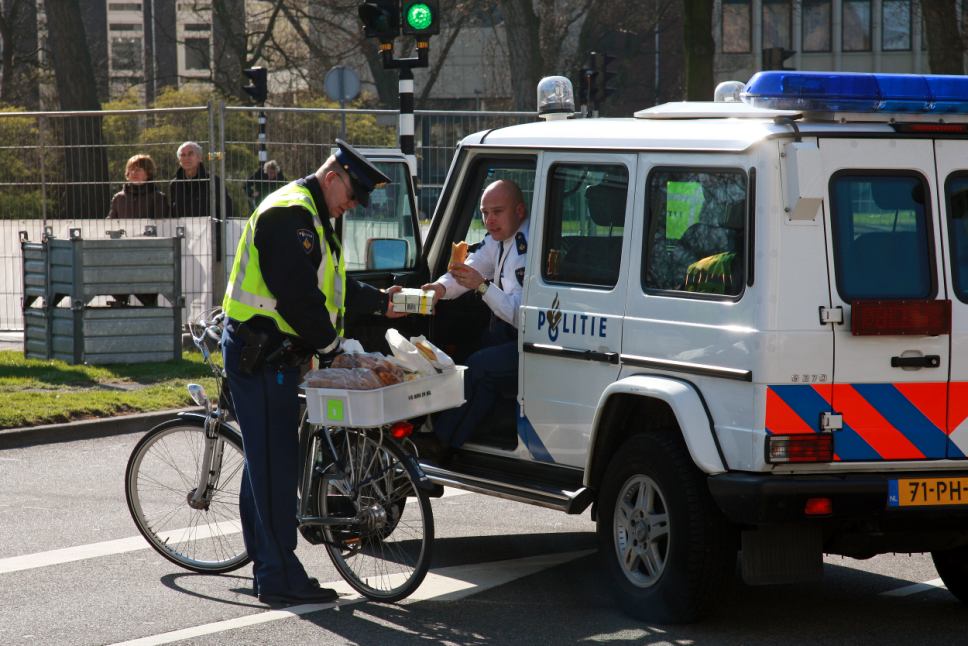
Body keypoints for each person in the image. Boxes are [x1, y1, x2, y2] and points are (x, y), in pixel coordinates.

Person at [221, 139, 403, 606]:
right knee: (276, 468)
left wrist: (384, 301)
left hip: (274, 356)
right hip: (263, 357)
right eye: (352, 195)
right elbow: (299, 297)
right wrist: (332, 348)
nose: (353, 206)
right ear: (332, 177)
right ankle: (279, 577)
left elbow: (331, 286)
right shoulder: (290, 214)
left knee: (264, 465)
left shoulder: (313, 217)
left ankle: (267, 564)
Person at [415, 179, 529, 463]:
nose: (489, 220)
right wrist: (439, 289)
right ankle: (451, 444)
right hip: (510, 336)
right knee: (479, 369)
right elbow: (470, 269)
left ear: (520, 211)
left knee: (478, 364)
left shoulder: (528, 249)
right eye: (484, 212)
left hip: (530, 343)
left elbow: (519, 314)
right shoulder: (499, 241)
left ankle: (439, 439)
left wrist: (482, 287)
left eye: (497, 211)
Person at [169, 141, 234, 218]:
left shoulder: (213, 181)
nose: (186, 158)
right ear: (179, 160)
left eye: (190, 154)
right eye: (182, 155)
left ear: (199, 158)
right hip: (183, 229)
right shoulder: (174, 184)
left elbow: (226, 210)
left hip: (210, 229)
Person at [106, 154, 169, 219]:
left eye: (138, 169)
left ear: (148, 173)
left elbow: (161, 225)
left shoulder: (158, 197)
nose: (133, 172)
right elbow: (110, 224)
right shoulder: (118, 198)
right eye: (131, 169)